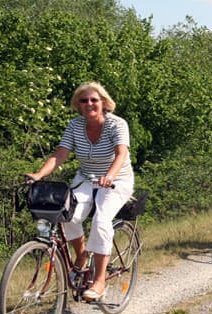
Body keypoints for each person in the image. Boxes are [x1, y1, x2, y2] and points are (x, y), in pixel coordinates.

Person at [26, 81, 134, 300]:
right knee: (65, 215)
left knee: (101, 221)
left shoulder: (116, 124)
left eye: (94, 100)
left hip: (116, 179)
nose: (89, 104)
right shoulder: (75, 126)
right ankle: (81, 256)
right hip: (86, 178)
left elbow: (121, 154)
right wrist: (38, 175)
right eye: (84, 101)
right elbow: (60, 155)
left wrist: (110, 175)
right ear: (78, 105)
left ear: (104, 102)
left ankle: (99, 281)